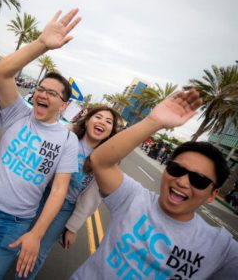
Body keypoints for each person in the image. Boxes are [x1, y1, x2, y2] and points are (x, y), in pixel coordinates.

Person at [0, 9, 81, 279]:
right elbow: (1, 72)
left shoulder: (68, 140)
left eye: (51, 93)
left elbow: (59, 190)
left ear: (65, 104)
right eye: (40, 90)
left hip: (15, 224)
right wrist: (42, 43)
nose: (42, 95)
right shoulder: (17, 112)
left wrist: (36, 233)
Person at [70, 89, 238, 279]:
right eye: (176, 169)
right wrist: (153, 122)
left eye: (199, 180)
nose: (182, 181)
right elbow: (99, 161)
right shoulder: (133, 198)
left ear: (212, 195)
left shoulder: (221, 248)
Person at [22, 105, 121, 279]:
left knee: (39, 250)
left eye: (109, 122)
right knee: (18, 234)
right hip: (40, 194)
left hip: (65, 208)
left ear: (111, 131)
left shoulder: (107, 160)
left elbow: (92, 199)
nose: (102, 123)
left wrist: (73, 227)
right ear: (88, 119)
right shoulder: (66, 135)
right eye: (98, 117)